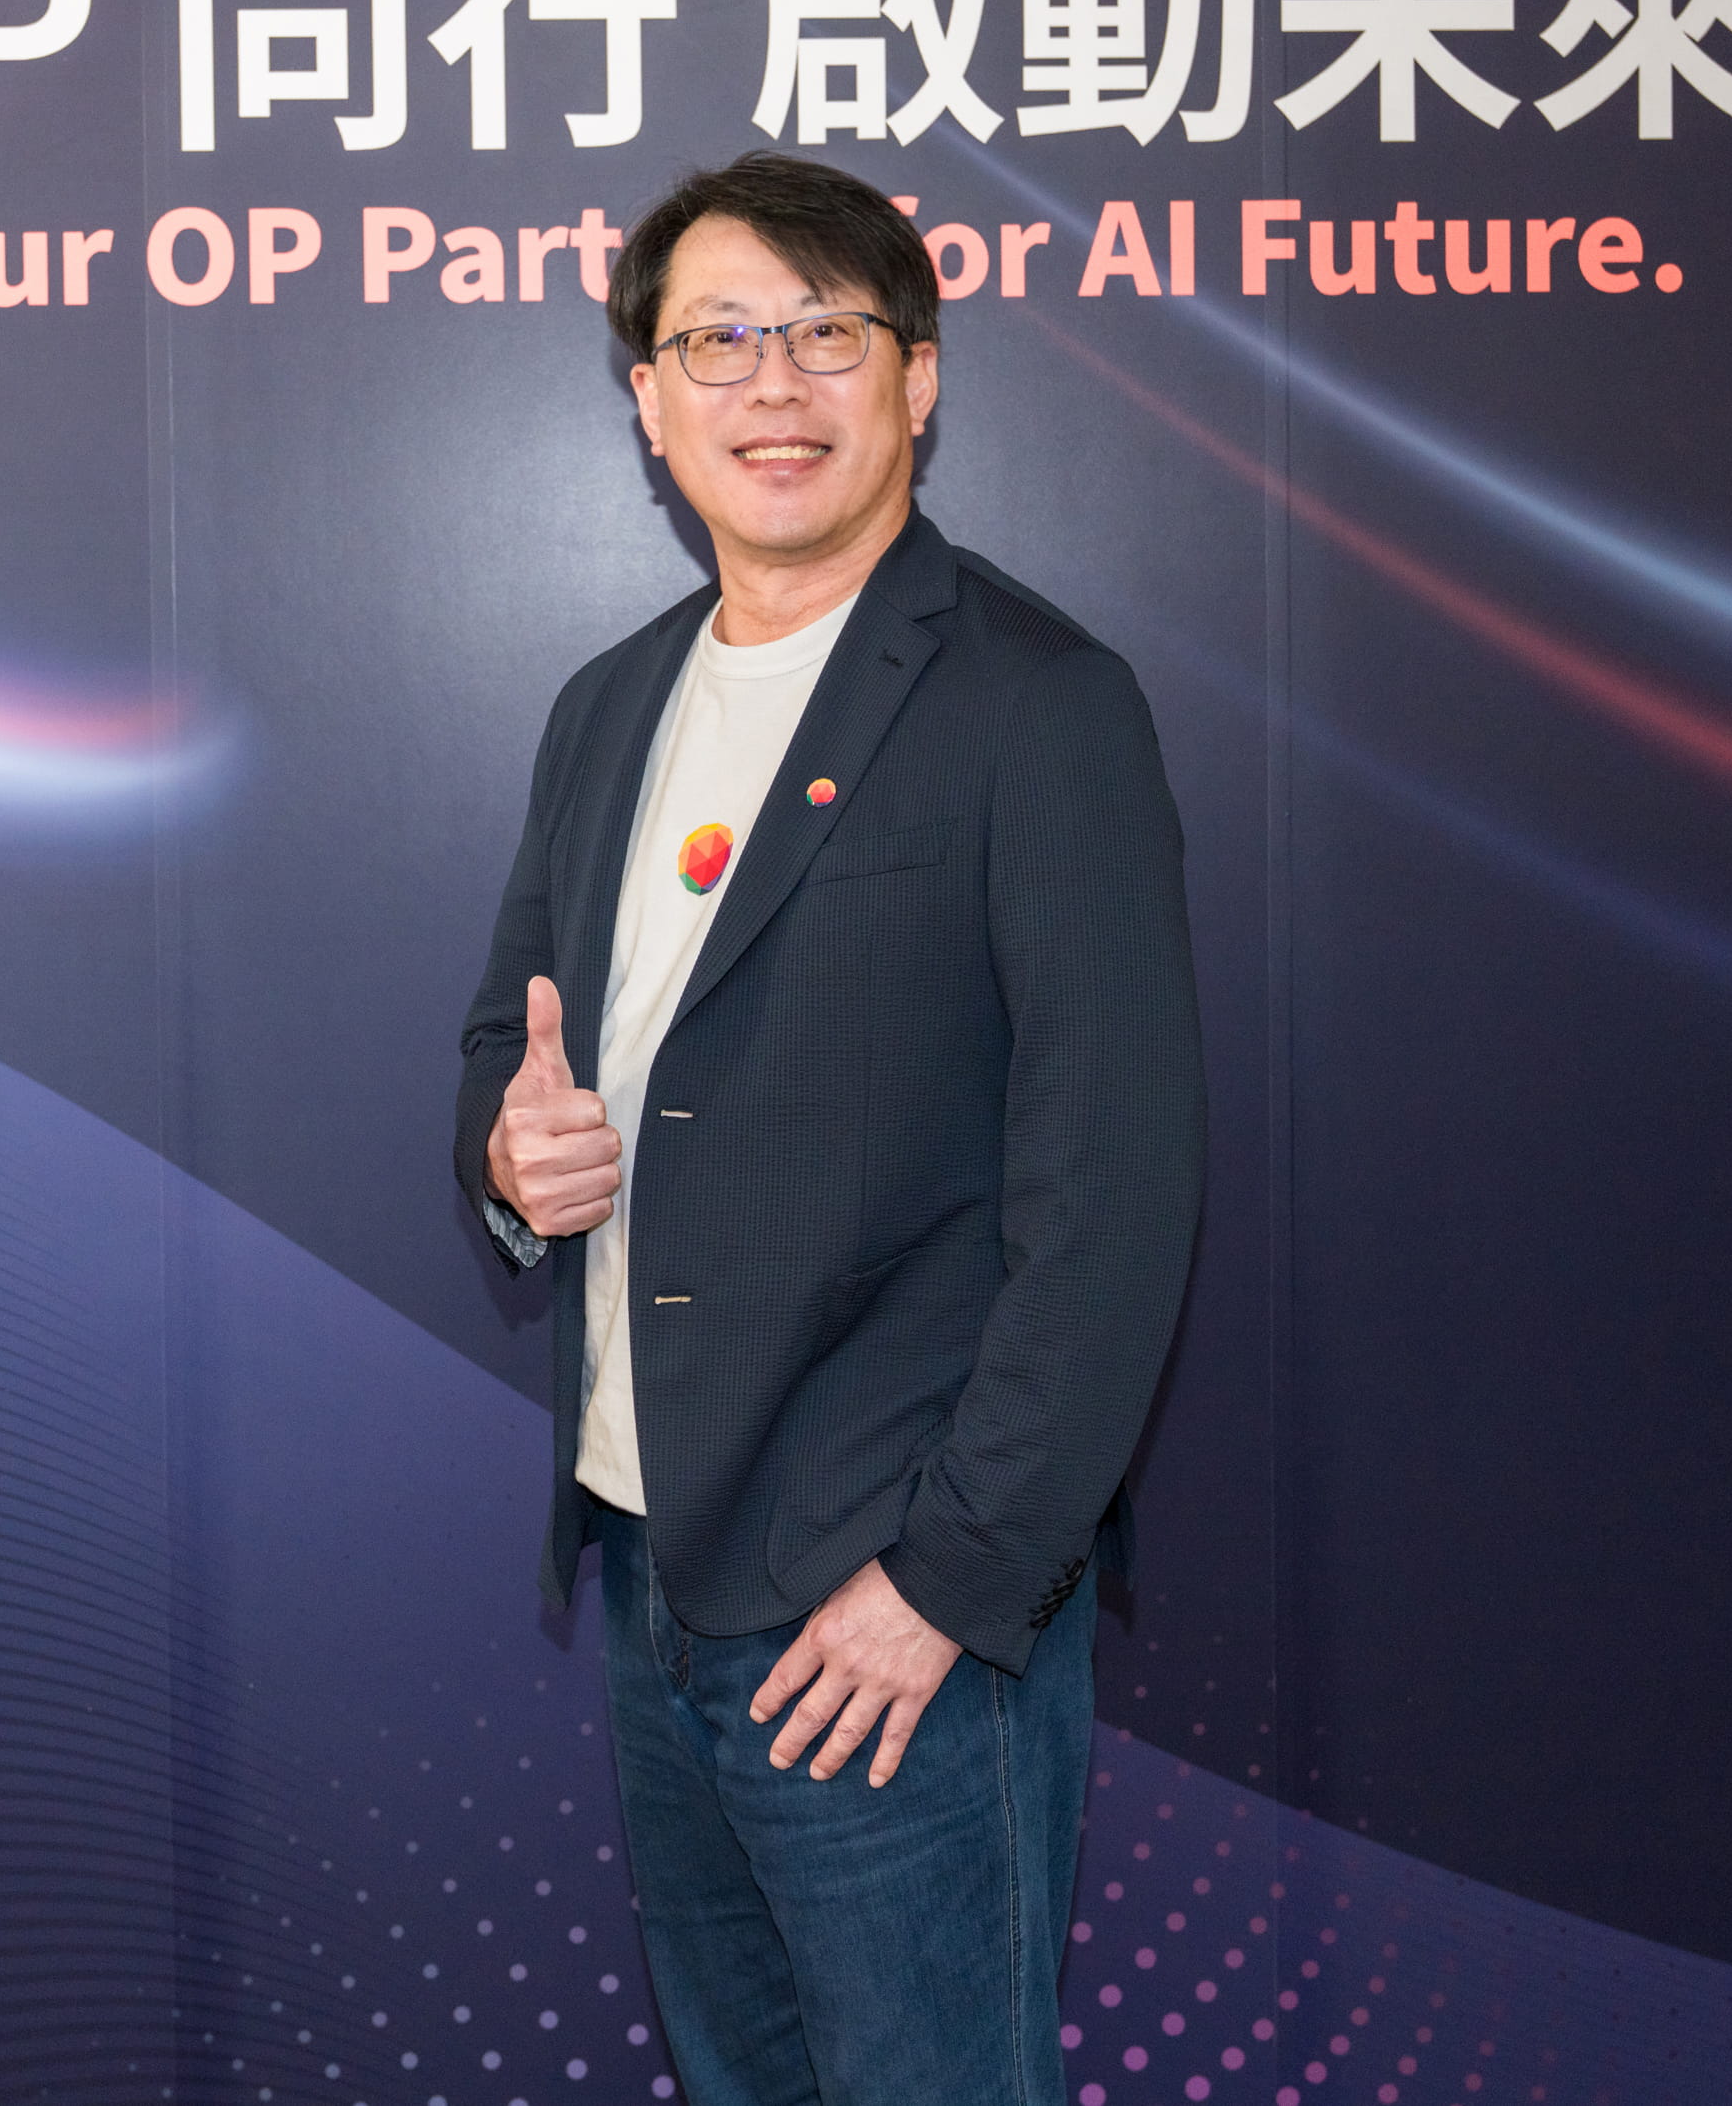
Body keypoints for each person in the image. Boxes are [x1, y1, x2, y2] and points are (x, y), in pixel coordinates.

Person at [451, 152, 1204, 2106]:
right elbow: (509, 1039)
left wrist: (950, 1579)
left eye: (824, 333)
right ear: (647, 398)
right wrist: (515, 1163)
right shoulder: (608, 704)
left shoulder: (1038, 705)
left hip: (888, 1602)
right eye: (717, 340)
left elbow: (1114, 1197)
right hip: (652, 1566)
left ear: (916, 378)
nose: (770, 384)